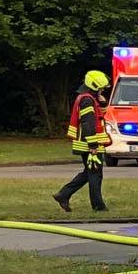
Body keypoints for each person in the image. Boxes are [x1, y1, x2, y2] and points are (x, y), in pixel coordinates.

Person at [52, 71, 113, 212]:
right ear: (94, 86)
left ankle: (63, 195)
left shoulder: (89, 98)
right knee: (95, 174)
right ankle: (98, 206)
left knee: (90, 172)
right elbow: (87, 123)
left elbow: (99, 115)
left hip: (88, 142)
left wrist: (103, 102)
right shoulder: (87, 100)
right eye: (101, 88)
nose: (102, 90)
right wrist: (93, 145)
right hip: (89, 144)